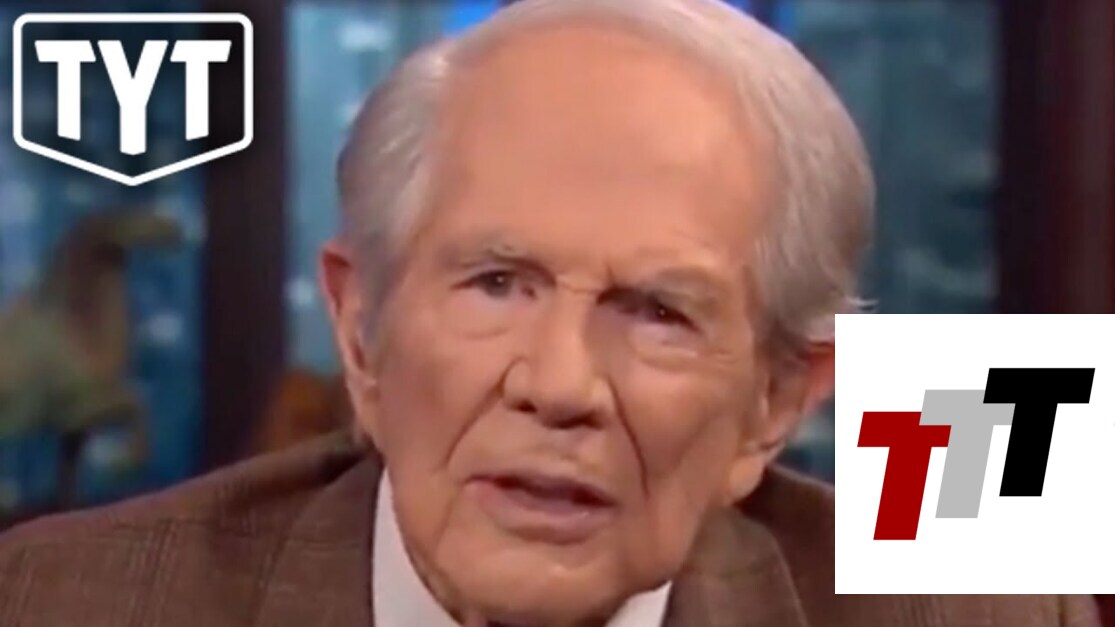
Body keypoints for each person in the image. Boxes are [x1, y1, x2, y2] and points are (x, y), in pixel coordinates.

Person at [0, 0, 1101, 625]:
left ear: (772, 404)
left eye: (658, 311)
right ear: (362, 336)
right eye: (496, 284)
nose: (561, 385)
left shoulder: (980, 613)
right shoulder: (62, 603)